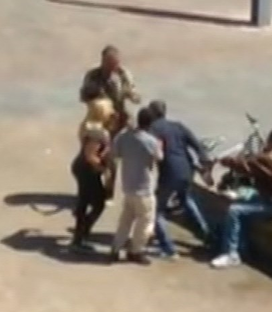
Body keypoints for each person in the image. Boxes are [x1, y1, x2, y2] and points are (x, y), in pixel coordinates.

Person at [209, 129, 272, 269]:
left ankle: (231, 255)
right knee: (242, 204)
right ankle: (241, 249)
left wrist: (224, 160)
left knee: (234, 211)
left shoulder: (269, 159)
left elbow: (245, 166)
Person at [146, 100, 212, 258]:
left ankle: (168, 248)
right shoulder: (178, 126)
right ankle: (208, 236)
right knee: (186, 201)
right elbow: (197, 145)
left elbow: (150, 151)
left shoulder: (153, 129)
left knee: (156, 209)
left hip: (169, 172)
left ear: (152, 113)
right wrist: (204, 162)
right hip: (187, 170)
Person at [81, 46, 139, 200]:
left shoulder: (123, 75)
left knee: (112, 158)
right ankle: (91, 187)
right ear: (103, 61)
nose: (113, 67)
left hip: (118, 119)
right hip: (98, 120)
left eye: (115, 64)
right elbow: (84, 96)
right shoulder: (93, 76)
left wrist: (132, 96)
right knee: (90, 155)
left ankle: (109, 191)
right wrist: (97, 100)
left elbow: (132, 92)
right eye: (110, 64)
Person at [110, 107, 163, 265]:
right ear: (151, 123)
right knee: (145, 222)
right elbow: (159, 157)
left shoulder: (125, 136)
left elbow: (115, 153)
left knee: (125, 220)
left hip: (128, 186)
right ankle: (136, 251)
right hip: (144, 188)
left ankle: (116, 248)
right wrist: (160, 145)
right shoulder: (150, 141)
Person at [70, 100, 116, 251]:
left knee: (86, 202)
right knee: (97, 202)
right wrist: (103, 170)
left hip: (83, 168)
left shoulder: (91, 127)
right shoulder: (97, 133)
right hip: (87, 170)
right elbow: (91, 156)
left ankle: (81, 235)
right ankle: (80, 237)